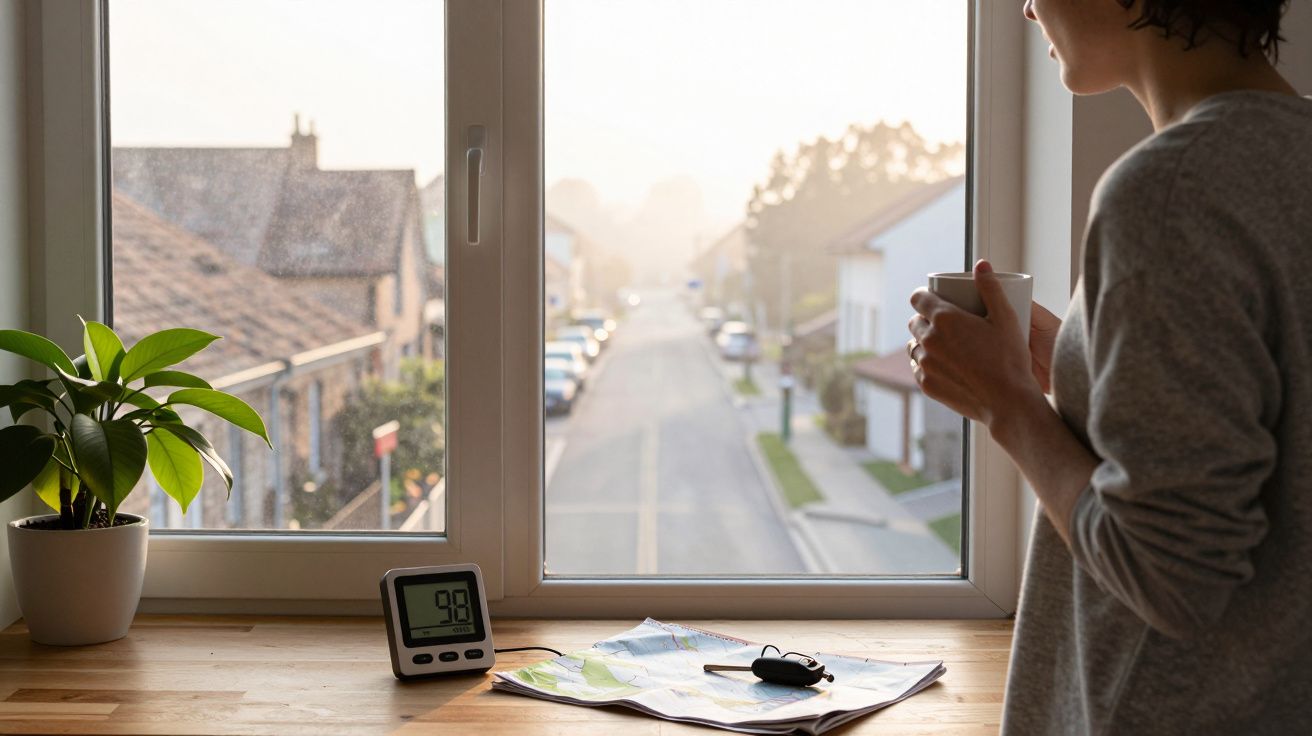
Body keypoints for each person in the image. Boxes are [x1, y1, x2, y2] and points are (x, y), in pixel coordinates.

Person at [906, 1, 1310, 733]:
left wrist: (1009, 405)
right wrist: (1080, 370)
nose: (1027, 8)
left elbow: (1170, 574)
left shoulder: (1171, 193)